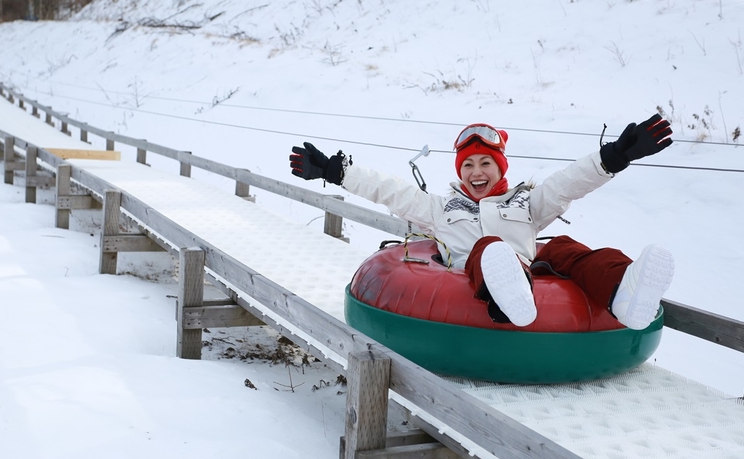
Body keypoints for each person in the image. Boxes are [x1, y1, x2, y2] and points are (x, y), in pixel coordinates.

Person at [289, 114, 675, 330]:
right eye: (468, 164)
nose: (477, 171)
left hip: (532, 271)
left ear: (499, 168)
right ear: (460, 172)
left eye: (485, 162)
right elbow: (391, 191)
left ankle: (624, 289)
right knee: (488, 249)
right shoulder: (441, 209)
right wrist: (338, 172)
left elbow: (567, 184)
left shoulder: (526, 202)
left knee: (565, 249)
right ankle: (506, 294)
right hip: (474, 278)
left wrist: (614, 157)